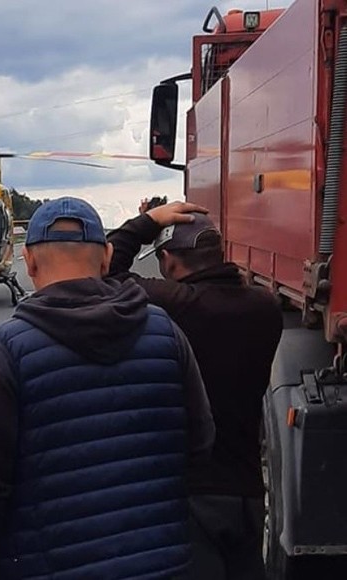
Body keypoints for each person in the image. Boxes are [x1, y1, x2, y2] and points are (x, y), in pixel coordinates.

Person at [0, 197, 215, 580]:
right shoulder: (165, 333)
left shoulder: (5, 351)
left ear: (30, 260)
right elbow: (200, 443)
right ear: (106, 258)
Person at [106, 202, 284, 579]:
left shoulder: (177, 306)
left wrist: (148, 222)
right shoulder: (265, 308)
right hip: (248, 494)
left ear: (169, 261)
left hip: (194, 497)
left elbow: (106, 268)